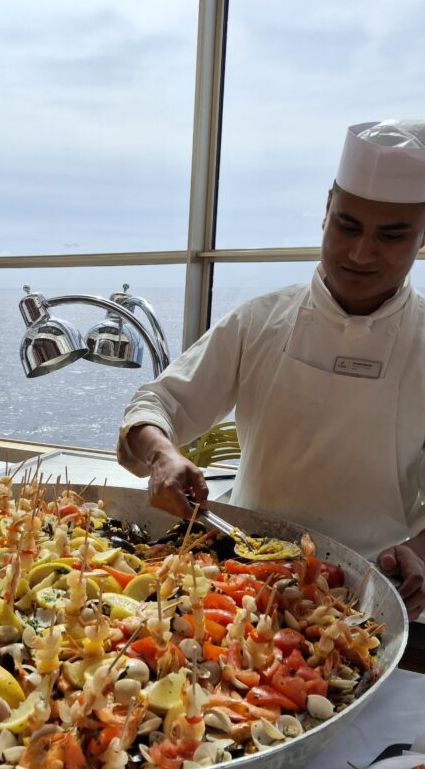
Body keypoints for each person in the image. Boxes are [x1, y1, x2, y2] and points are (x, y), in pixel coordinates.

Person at [117, 119, 425, 620]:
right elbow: (157, 404)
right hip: (241, 581)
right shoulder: (260, 321)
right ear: (326, 212)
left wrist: (421, 555)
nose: (361, 252)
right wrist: (162, 457)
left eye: (392, 236)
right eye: (348, 225)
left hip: (377, 592)